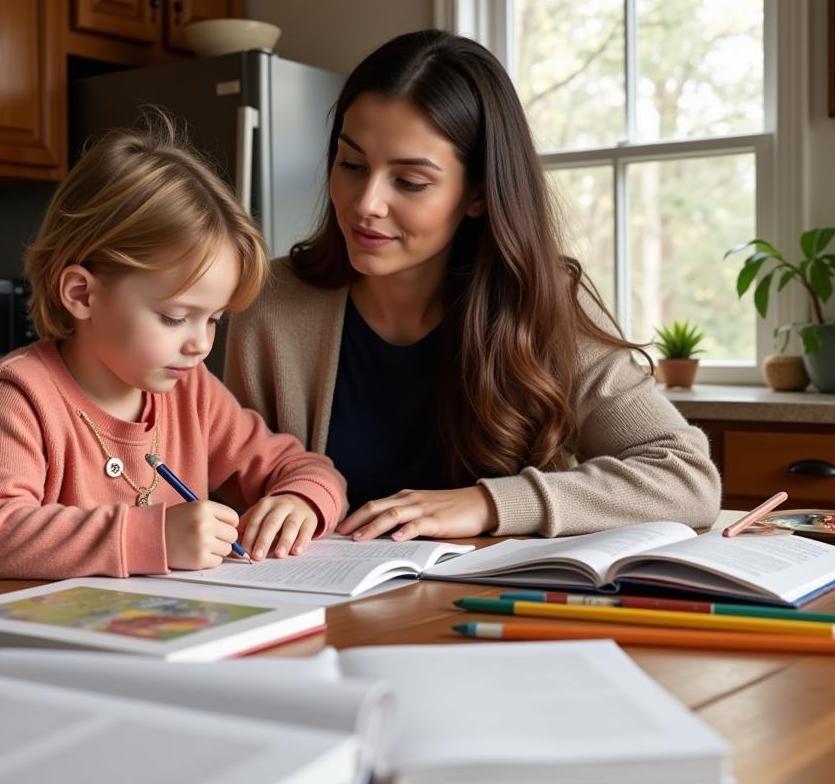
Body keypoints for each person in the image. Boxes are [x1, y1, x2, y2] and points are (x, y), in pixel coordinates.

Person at [225, 30, 721, 540]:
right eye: (352, 165)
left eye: (410, 181)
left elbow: (687, 478)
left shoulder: (540, 305)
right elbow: (229, 480)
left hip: (492, 607)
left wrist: (488, 503)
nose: (365, 203)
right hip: (320, 606)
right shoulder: (271, 302)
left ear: (478, 194)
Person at [0, 119, 347, 582]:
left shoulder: (192, 393)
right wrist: (152, 536)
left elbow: (306, 468)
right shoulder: (20, 396)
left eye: (213, 319)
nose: (200, 343)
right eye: (175, 317)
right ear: (81, 294)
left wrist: (301, 500)